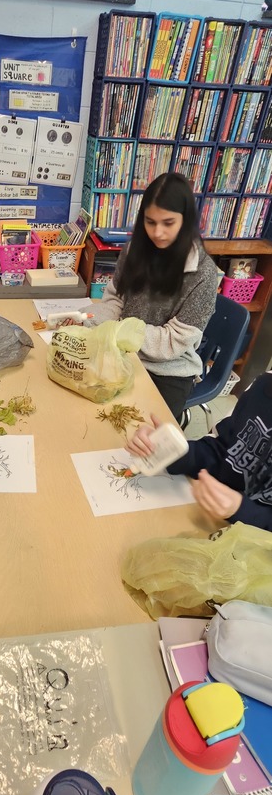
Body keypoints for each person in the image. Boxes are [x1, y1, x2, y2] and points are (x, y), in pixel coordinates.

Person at [94, 172, 218, 420]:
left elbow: (174, 342)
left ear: (186, 220)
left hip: (167, 369)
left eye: (168, 223)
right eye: (150, 222)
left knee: (136, 432)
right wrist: (97, 326)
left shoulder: (203, 273)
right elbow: (114, 298)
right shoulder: (134, 250)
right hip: (120, 350)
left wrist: (119, 332)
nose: (158, 232)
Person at [125, 372, 272, 531]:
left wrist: (242, 511)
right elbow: (223, 452)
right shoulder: (263, 388)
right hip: (213, 520)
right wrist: (174, 451)